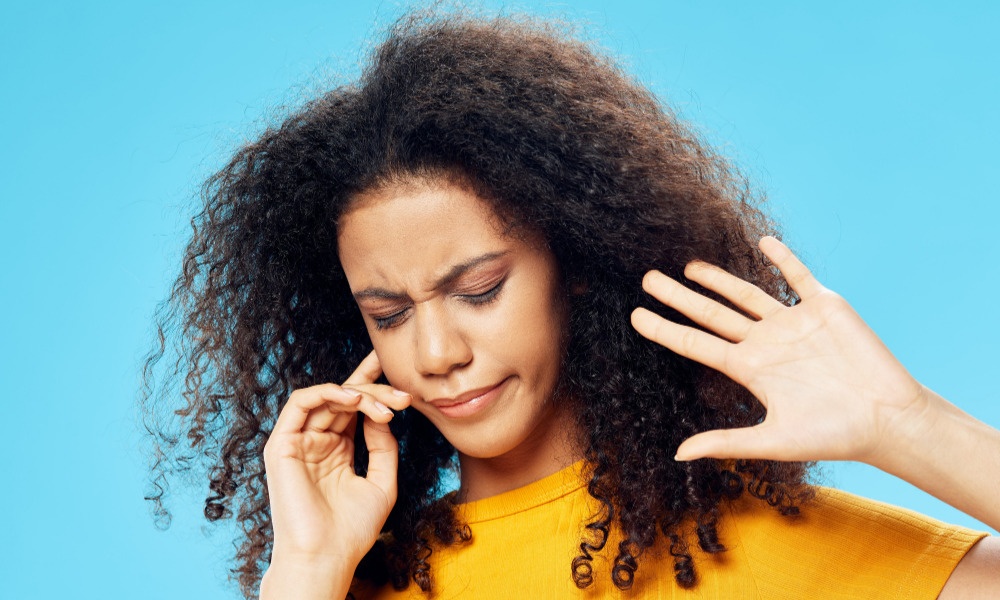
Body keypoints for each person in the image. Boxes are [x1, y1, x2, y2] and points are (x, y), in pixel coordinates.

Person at [142, 10, 1000, 600]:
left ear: (578, 267)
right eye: (389, 313)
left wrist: (908, 425)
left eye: (477, 290)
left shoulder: (800, 554)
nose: (435, 351)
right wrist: (303, 571)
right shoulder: (351, 582)